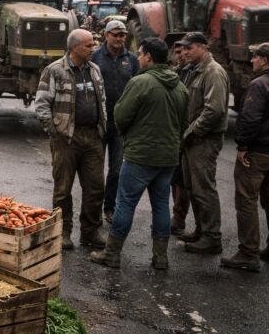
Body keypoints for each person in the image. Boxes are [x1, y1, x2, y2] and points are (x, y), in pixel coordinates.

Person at [89, 38, 188, 269]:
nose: (139, 58)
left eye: (141, 54)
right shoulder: (180, 86)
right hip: (168, 157)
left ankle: (112, 254)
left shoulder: (140, 82)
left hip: (140, 156)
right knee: (161, 204)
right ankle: (160, 257)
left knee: (125, 203)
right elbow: (184, 123)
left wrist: (128, 135)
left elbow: (120, 116)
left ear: (149, 57)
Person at [220, 43, 269, 271]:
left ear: (264, 60)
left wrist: (243, 146)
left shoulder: (259, 84)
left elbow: (250, 119)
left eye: (255, 57)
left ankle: (248, 253)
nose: (252, 60)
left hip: (257, 153)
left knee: (246, 201)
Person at [35, 28, 107, 250]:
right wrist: (54, 131)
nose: (93, 49)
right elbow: (42, 104)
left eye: (93, 44)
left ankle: (90, 232)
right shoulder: (55, 70)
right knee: (63, 189)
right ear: (75, 48)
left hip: (92, 137)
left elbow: (102, 100)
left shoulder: (94, 70)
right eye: (88, 45)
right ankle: (63, 232)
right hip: (66, 138)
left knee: (96, 188)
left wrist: (101, 127)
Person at [179, 31, 229, 254]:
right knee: (193, 188)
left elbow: (213, 110)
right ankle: (201, 230)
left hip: (204, 139)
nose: (185, 52)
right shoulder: (194, 70)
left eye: (189, 48)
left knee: (204, 188)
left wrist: (191, 132)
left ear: (203, 47)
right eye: (184, 48)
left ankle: (211, 237)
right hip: (193, 139)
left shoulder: (213, 72)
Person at [91, 20, 140, 223]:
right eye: (116, 34)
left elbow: (138, 87)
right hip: (98, 123)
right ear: (106, 35)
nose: (120, 38)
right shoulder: (95, 57)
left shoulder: (132, 60)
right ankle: (93, 210)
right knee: (94, 170)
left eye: (123, 35)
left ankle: (109, 208)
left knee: (117, 170)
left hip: (120, 125)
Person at [170, 41, 191, 235]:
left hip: (190, 132)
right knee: (175, 177)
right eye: (176, 52)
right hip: (175, 132)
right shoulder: (176, 73)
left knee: (184, 180)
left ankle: (179, 217)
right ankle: (177, 217)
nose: (180, 56)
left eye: (183, 51)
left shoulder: (196, 72)